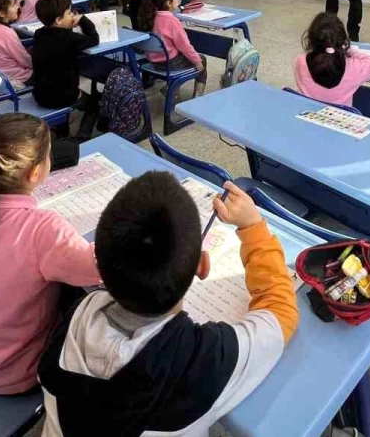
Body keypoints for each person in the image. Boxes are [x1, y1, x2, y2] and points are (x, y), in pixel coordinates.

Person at [38, 174, 298, 436]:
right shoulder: (202, 361)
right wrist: (253, 227)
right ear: (202, 266)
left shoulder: (78, 315)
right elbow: (281, 312)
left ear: (100, 266)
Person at [0, 113, 101, 395]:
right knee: (92, 301)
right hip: (14, 375)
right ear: (35, 173)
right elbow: (101, 268)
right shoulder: (44, 229)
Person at [31, 0, 100, 144]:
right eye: (69, 13)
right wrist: (83, 20)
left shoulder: (39, 34)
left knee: (59, 84)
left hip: (40, 94)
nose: (72, 15)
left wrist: (68, 26)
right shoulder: (70, 39)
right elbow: (94, 39)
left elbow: (57, 39)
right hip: (65, 96)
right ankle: (82, 137)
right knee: (94, 104)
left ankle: (62, 131)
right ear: (59, 20)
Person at [293, 12, 370, 107]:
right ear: (343, 40)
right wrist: (350, 51)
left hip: (307, 116)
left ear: (311, 39)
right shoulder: (354, 67)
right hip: (342, 119)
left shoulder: (300, 61)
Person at [137, 0, 206, 96]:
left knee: (179, 53)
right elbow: (184, 46)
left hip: (155, 62)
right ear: (169, 3)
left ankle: (171, 90)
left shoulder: (153, 17)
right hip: (170, 63)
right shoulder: (172, 21)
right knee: (202, 60)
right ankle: (197, 97)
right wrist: (197, 61)